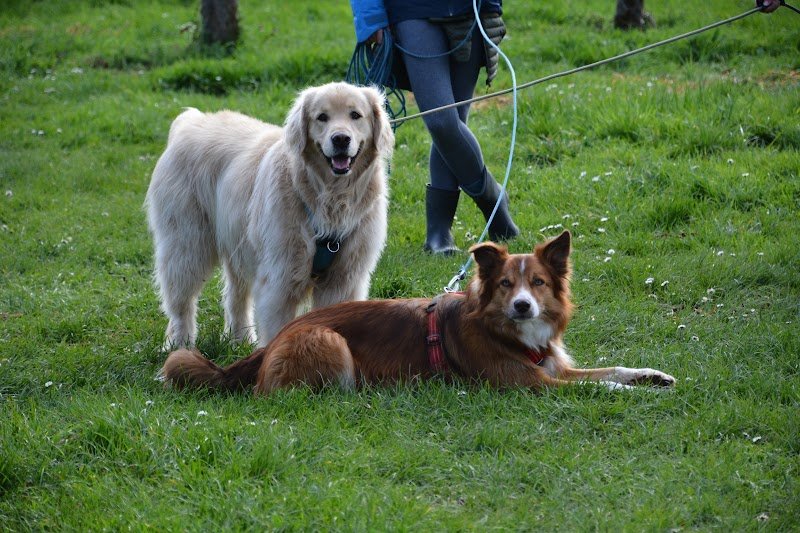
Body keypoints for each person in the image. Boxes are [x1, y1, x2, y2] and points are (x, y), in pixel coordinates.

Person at [349, 0, 519, 255]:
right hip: (412, 11)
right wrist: (371, 19)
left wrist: (492, 6)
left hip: (471, 10)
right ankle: (493, 201)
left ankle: (438, 231)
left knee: (456, 119)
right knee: (441, 121)